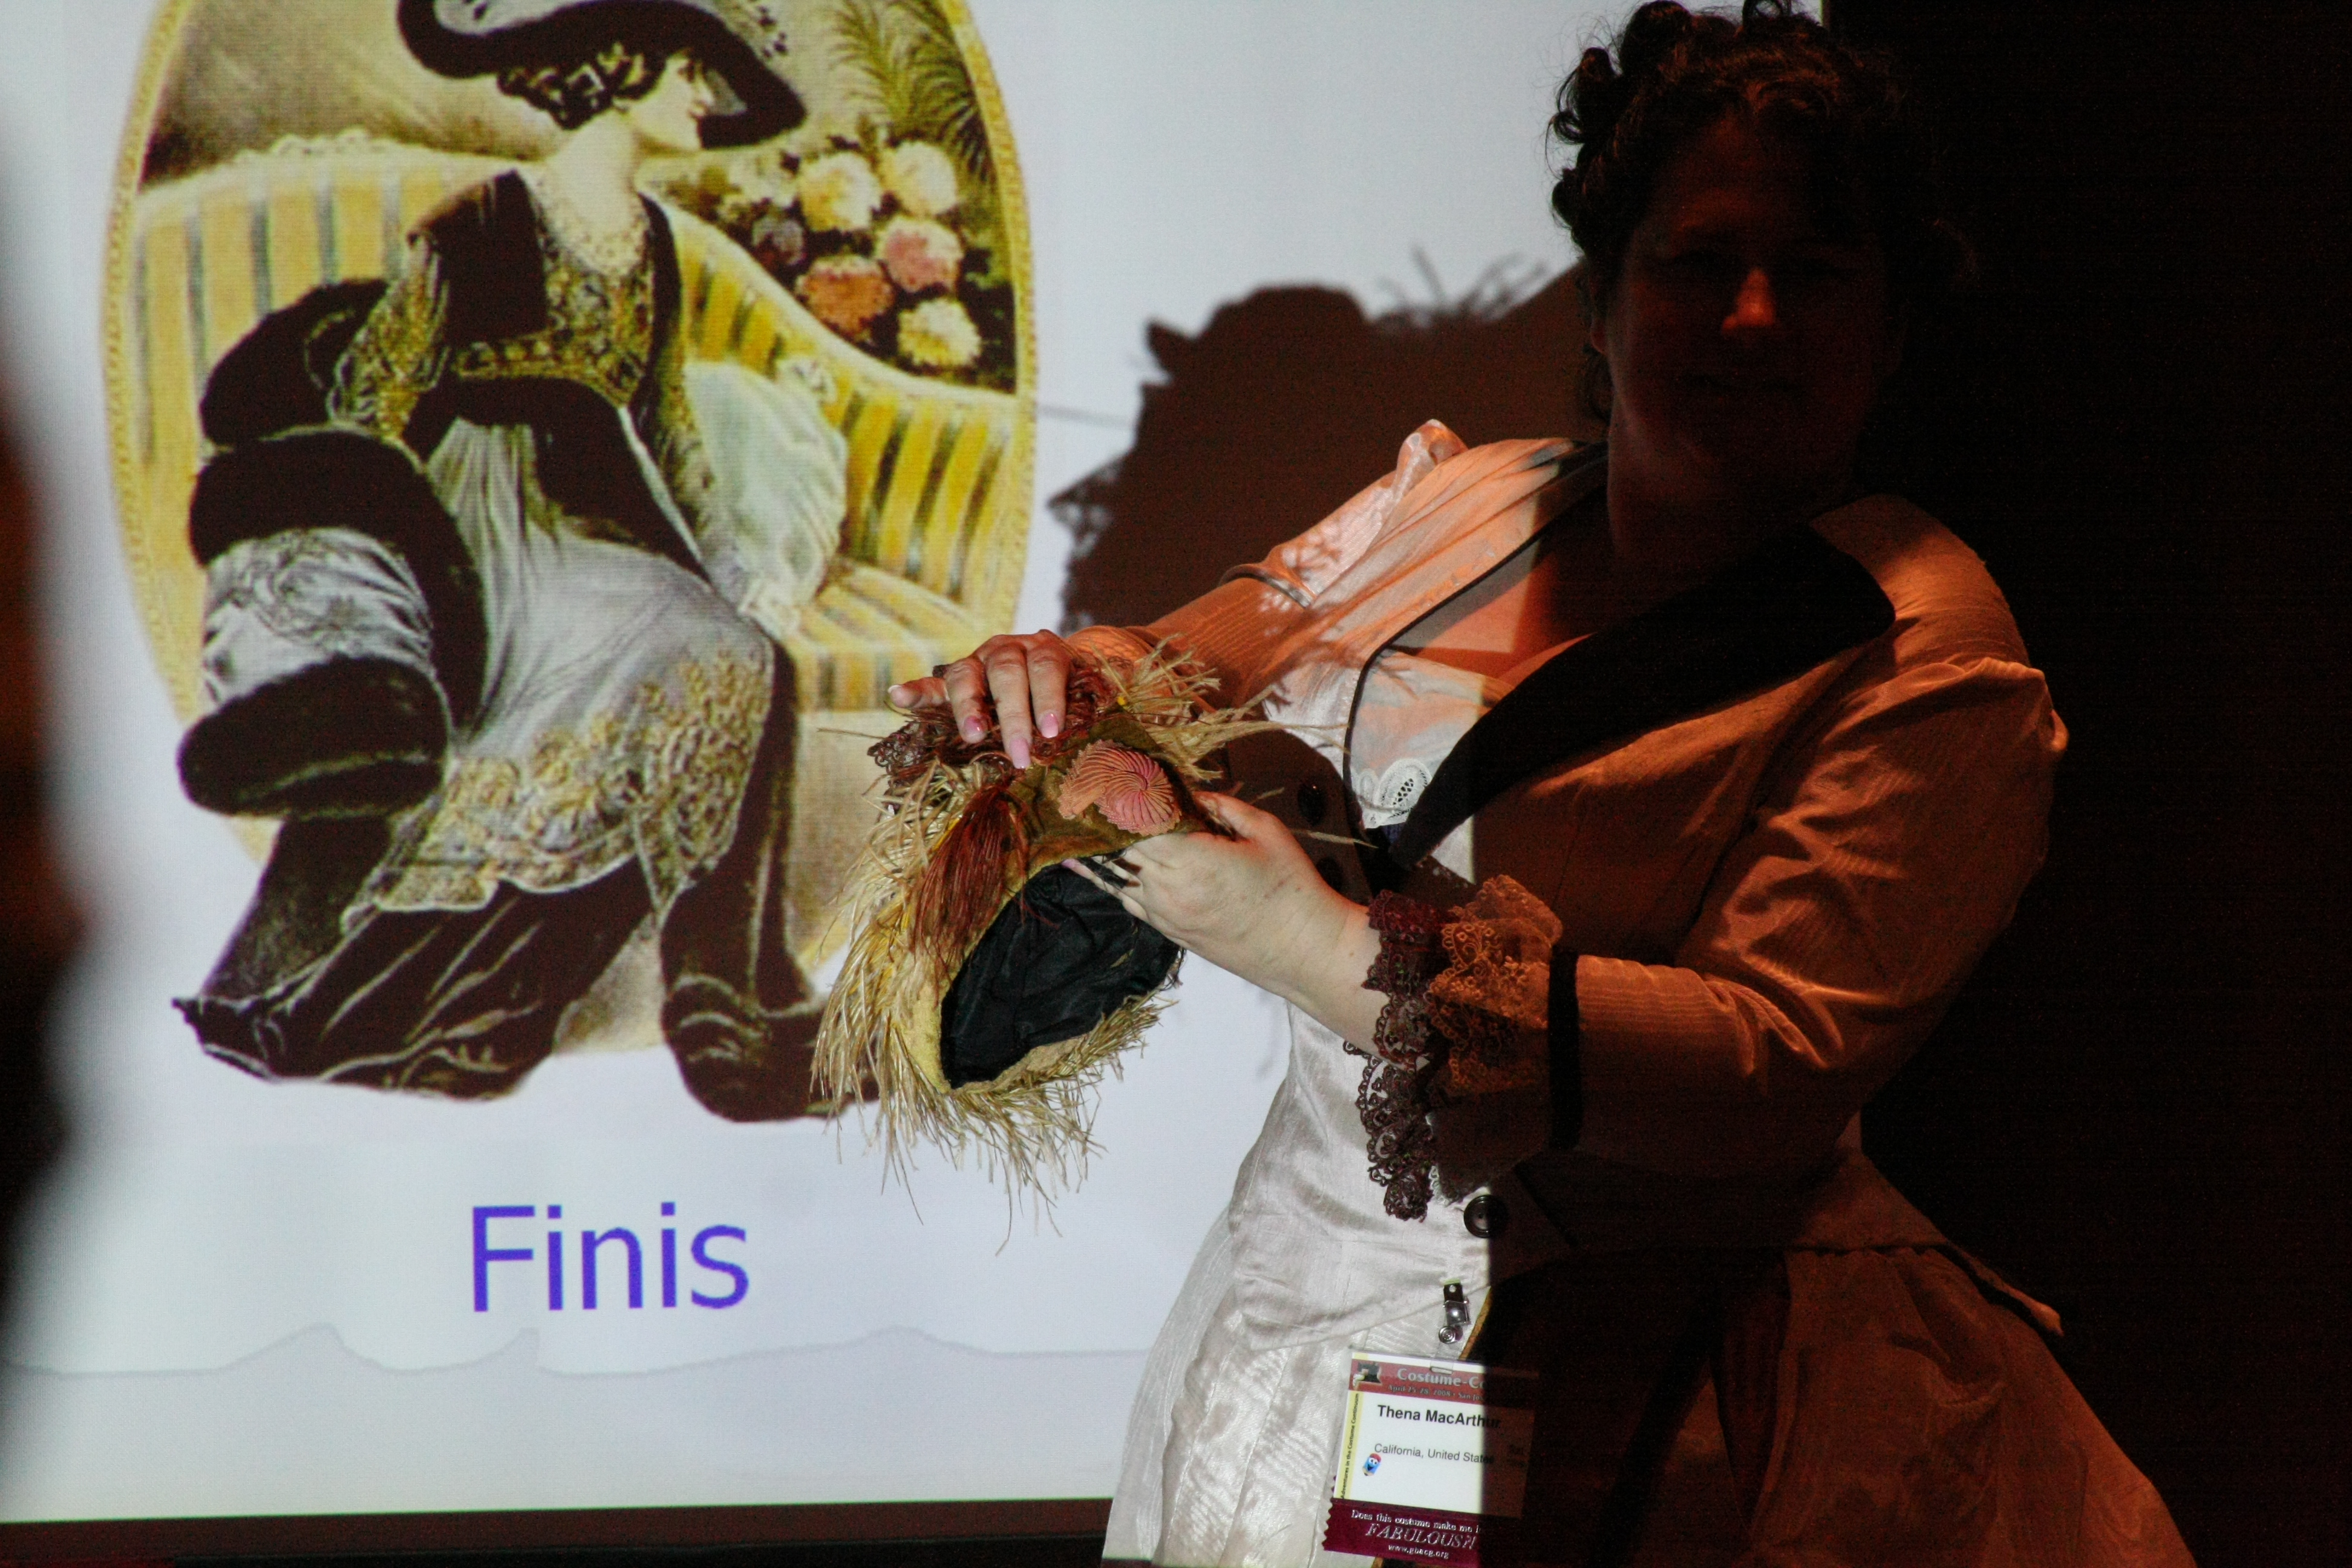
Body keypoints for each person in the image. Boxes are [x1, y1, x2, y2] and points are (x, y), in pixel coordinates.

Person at [893, 2, 2195, 1561]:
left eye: (1817, 272)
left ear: (1892, 327)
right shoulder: (1462, 501)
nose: (1755, 317)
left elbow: (1766, 1062)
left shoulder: (1930, 649)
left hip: (1657, 1394)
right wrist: (1057, 683)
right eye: (1699, 262)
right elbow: (1186, 661)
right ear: (1602, 302)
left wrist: (1305, 944)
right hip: (1295, 1327)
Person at [176, 0, 845, 1121]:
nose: (708, 97)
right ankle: (646, 1005)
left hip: (611, 511)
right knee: (696, 654)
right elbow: (376, 398)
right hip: (479, 521)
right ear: (619, 65)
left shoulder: (657, 241)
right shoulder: (480, 218)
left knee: (743, 655)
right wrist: (394, 567)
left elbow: (671, 429)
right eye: (689, 67)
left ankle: (724, 1010)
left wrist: (737, 570)